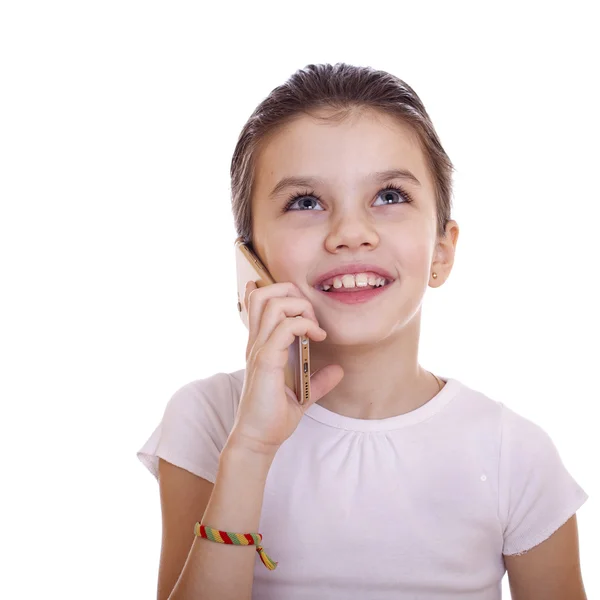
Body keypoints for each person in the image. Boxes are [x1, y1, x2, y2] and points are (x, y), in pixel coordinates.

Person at [137, 63, 589, 600]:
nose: (351, 234)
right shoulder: (208, 419)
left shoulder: (512, 453)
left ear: (442, 252)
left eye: (390, 196)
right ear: (250, 259)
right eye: (305, 202)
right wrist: (251, 450)